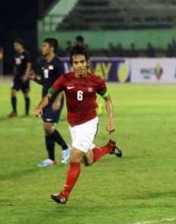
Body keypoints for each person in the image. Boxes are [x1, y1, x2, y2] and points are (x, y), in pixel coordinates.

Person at [33, 45, 123, 204]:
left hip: (89, 123)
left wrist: (110, 120)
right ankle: (109, 147)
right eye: (76, 62)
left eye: (82, 61)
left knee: (74, 157)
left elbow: (107, 99)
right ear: (72, 64)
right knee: (87, 160)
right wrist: (40, 106)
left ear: (87, 62)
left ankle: (64, 195)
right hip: (73, 125)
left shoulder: (96, 81)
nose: (80, 65)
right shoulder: (65, 79)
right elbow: (50, 95)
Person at [31, 38, 70, 167]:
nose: (42, 48)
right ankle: (51, 159)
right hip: (45, 100)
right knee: (47, 129)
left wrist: (58, 100)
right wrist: (35, 79)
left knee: (48, 126)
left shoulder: (58, 64)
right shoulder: (42, 63)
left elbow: (62, 84)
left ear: (52, 48)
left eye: (45, 46)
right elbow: (44, 81)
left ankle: (65, 147)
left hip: (55, 99)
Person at [8, 39, 32, 118]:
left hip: (24, 77)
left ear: (21, 45)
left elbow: (29, 66)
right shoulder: (15, 55)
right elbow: (16, 65)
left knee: (26, 95)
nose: (15, 47)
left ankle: (27, 113)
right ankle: (14, 112)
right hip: (17, 78)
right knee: (13, 92)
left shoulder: (26, 54)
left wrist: (26, 75)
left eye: (16, 45)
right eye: (14, 45)